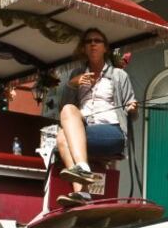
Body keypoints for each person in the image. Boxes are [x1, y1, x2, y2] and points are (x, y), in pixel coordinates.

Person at [55, 28, 137, 207]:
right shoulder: (76, 74)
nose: (92, 44)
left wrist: (131, 109)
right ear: (83, 48)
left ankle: (82, 179)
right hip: (84, 128)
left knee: (64, 137)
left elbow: (132, 112)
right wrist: (72, 84)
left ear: (105, 48)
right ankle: (83, 191)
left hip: (112, 131)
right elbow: (63, 110)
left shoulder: (118, 75)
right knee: (63, 129)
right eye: (88, 41)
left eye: (97, 41)